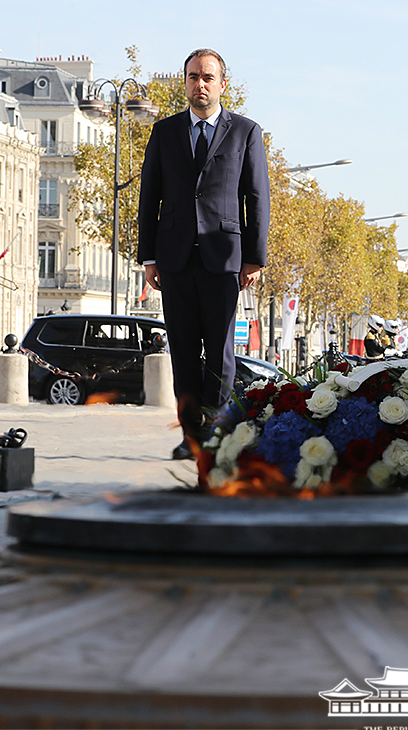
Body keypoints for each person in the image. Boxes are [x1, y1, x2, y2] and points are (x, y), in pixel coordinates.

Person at [138, 48, 270, 460]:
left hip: (223, 257)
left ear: (222, 84)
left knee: (221, 352)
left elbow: (257, 197)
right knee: (182, 350)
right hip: (174, 259)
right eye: (194, 77)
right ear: (186, 82)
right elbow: (150, 197)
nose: (200, 84)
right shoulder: (164, 132)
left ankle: (217, 431)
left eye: (208, 77)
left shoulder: (245, 132)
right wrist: (148, 257)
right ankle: (191, 435)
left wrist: (255, 258)